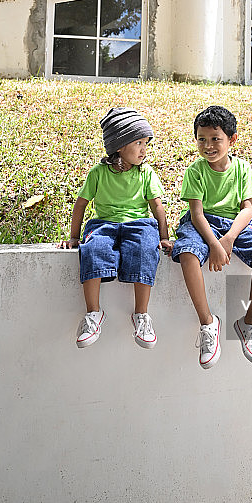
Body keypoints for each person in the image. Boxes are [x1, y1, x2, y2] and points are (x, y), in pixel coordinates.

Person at [171, 105, 252, 369]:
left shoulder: (242, 169)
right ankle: (208, 323)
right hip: (200, 224)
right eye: (202, 139)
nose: (208, 146)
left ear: (232, 139)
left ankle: (249, 323)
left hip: (234, 225)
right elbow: (196, 214)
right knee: (187, 253)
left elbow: (247, 209)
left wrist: (228, 239)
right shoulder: (195, 171)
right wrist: (214, 244)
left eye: (215, 139)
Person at [58, 107, 172, 349]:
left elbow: (157, 207)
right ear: (119, 145)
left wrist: (164, 237)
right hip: (104, 224)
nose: (144, 149)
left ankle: (141, 315)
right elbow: (80, 205)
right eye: (138, 142)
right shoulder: (98, 173)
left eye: (146, 143)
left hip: (139, 225)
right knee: (93, 249)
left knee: (145, 249)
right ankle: (93, 313)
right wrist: (74, 237)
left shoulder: (145, 173)